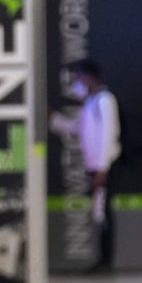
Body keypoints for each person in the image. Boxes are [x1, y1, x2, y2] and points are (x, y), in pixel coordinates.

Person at [50, 59, 122, 272]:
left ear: (90, 77)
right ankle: (102, 258)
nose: (76, 82)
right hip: (94, 168)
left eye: (79, 77)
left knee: (104, 212)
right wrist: (53, 118)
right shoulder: (89, 104)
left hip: (105, 167)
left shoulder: (105, 101)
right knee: (99, 212)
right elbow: (75, 128)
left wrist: (102, 168)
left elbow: (108, 135)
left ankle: (106, 260)